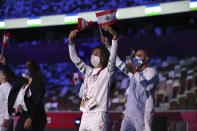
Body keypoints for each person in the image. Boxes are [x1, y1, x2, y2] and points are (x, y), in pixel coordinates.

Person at [101, 36, 159, 131]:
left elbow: (147, 87)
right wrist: (108, 45)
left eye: (140, 55)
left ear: (147, 58)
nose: (137, 57)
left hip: (143, 115)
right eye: (136, 55)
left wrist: (135, 72)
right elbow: (117, 61)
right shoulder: (133, 72)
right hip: (128, 116)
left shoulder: (151, 72)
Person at [68, 25, 118, 131]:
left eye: (96, 54)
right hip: (85, 114)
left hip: (99, 115)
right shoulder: (88, 71)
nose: (93, 56)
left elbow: (113, 57)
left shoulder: (107, 72)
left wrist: (114, 37)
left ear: (103, 57)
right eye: (92, 54)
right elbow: (74, 58)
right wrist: (71, 42)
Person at [0, 55, 47, 131]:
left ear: (33, 69)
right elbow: (12, 76)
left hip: (35, 118)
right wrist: (4, 64)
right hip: (24, 116)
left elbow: (37, 103)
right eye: (25, 66)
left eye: (27, 66)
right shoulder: (23, 82)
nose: (25, 68)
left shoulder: (38, 85)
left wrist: (30, 118)